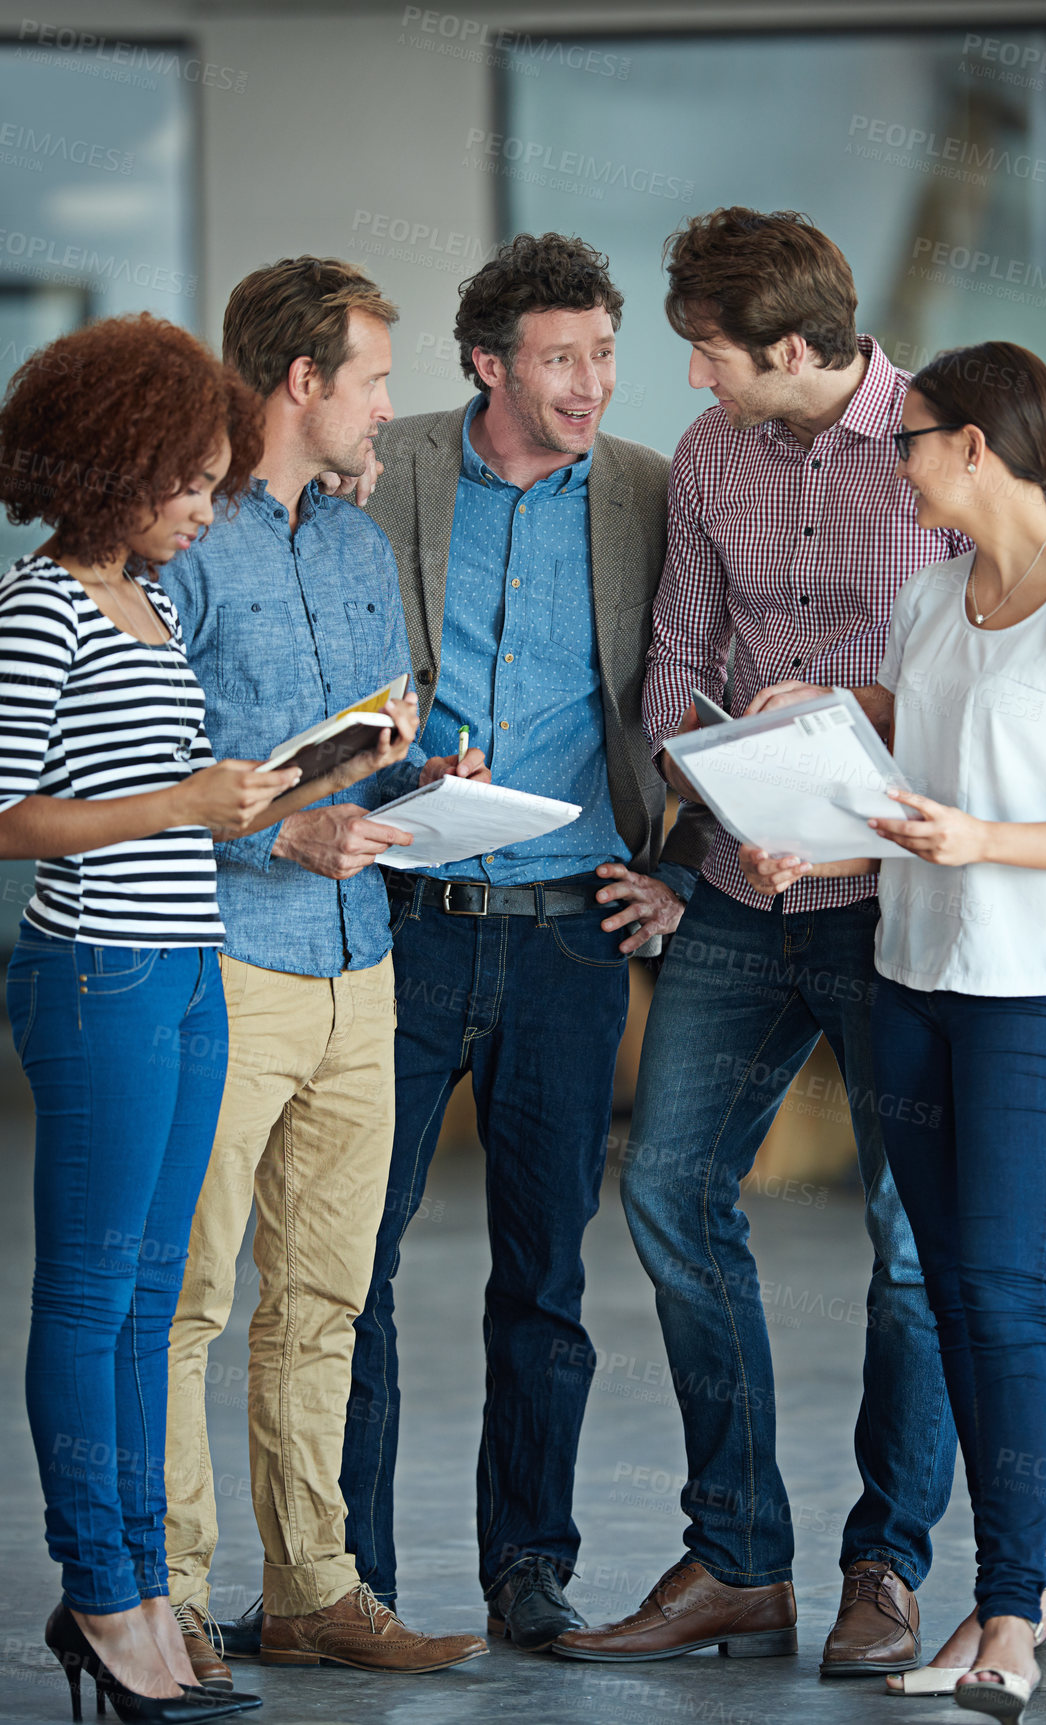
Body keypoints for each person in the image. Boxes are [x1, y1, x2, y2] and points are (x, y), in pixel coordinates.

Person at [554, 208, 969, 1674]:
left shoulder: (941, 448)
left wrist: (839, 753)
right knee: (667, 1191)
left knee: (910, 1247)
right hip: (740, 885)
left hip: (893, 903)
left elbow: (984, 683)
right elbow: (679, 654)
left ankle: (885, 1569)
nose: (693, 382)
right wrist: (702, 802)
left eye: (708, 353)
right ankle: (737, 1555)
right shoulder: (718, 459)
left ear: (793, 348)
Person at [339, 232, 711, 1651]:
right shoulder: (395, 466)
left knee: (543, 1277)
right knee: (348, 1260)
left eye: (604, 353)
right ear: (487, 362)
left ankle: (527, 1566)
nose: (591, 382)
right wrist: (381, 785)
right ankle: (347, 1571)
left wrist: (683, 864)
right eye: (560, 357)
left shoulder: (647, 492)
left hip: (571, 935)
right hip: (399, 923)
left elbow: (709, 677)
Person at [812, 341, 1046, 1721]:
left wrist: (984, 839)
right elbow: (904, 769)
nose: (892, 464)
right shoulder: (929, 598)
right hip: (913, 975)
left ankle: (1012, 1607)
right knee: (948, 1294)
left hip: (1040, 993)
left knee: (1002, 1299)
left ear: (975, 444)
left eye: (907, 439)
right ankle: (1017, 1588)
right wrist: (811, 785)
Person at [161, 257, 486, 1684]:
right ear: (302, 383)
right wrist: (293, 830)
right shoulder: (177, 541)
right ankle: (165, 1600)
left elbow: (367, 730)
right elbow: (129, 763)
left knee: (323, 1301)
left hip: (367, 970)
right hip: (230, 961)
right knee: (192, 1301)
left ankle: (312, 1584)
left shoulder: (354, 547)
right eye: (371, 380)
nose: (386, 408)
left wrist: (426, 771)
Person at [0, 313, 296, 1721]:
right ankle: (105, 1592)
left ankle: (132, 1594)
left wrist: (280, 787)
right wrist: (183, 800)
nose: (201, 507)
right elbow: (6, 815)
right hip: (98, 977)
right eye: (185, 482)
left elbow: (156, 796)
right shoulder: (38, 605)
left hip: (186, 967)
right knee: (91, 1292)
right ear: (113, 465)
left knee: (149, 1304)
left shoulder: (155, 605)